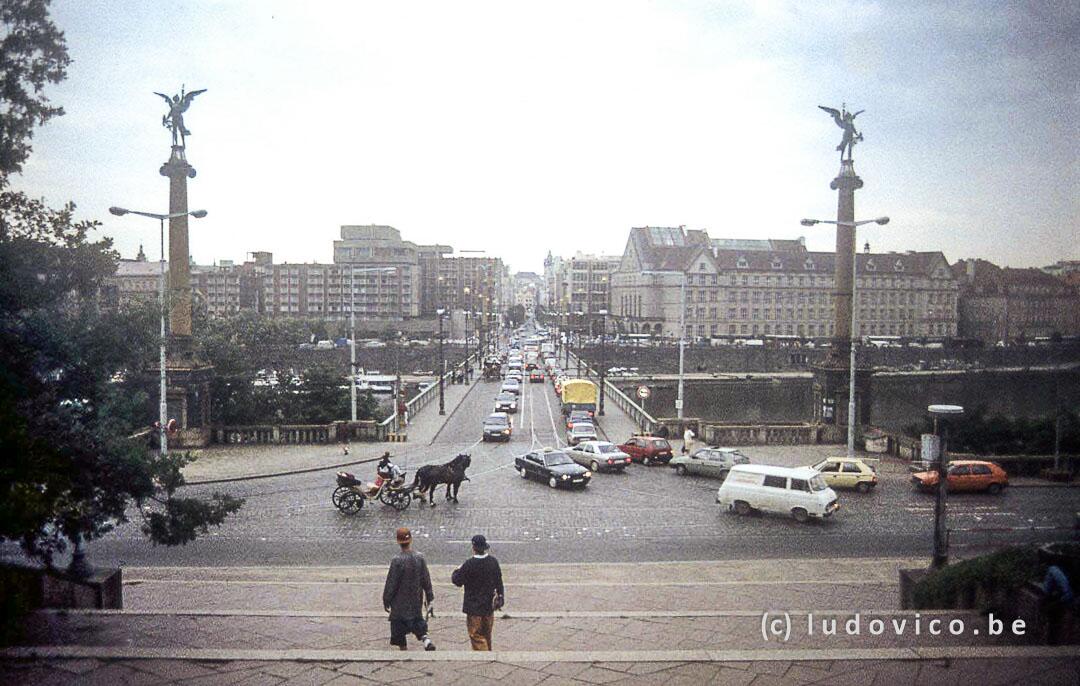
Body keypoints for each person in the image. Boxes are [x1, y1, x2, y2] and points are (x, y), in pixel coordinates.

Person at [382, 527, 436, 651]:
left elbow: (391, 583)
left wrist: (386, 600)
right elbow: (426, 580)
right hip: (416, 598)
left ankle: (404, 650)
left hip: (399, 602)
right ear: (410, 540)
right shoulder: (420, 558)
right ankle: (426, 640)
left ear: (398, 541)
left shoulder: (397, 560)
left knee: (399, 630)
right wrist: (430, 597)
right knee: (417, 621)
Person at [451, 534, 505, 651]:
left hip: (473, 606)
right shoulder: (493, 562)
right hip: (488, 605)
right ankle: (488, 653)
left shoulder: (469, 564)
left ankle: (484, 655)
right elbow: (499, 581)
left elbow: (457, 581)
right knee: (487, 634)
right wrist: (501, 596)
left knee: (475, 635)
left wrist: (457, 570)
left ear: (473, 547)